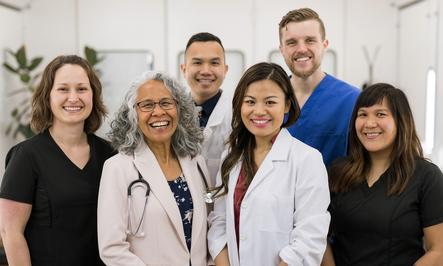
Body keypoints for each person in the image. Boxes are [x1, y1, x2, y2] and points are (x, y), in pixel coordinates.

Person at [207, 62, 330, 266]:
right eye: (250, 101)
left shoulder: (306, 159)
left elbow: (310, 237)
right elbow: (220, 223)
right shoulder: (231, 156)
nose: (259, 111)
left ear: (287, 105)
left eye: (270, 102)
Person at [0, 55, 115, 266]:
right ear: (48, 97)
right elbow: (11, 233)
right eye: (63, 89)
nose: (73, 98)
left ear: (93, 95)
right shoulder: (26, 156)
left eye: (82, 89)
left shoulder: (110, 154)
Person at [97, 71, 211, 265]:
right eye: (147, 105)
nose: (158, 112)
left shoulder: (196, 161)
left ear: (179, 109)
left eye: (166, 103)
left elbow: (209, 228)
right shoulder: (117, 168)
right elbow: (112, 248)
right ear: (133, 115)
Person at [323, 83, 443, 265]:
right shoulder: (339, 171)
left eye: (380, 114)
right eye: (362, 114)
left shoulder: (427, 176)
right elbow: (317, 235)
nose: (369, 123)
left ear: (400, 121)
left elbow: (438, 250)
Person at [279, 8, 360, 166]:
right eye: (291, 42)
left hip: (334, 190)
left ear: (324, 45)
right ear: (282, 50)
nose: (301, 49)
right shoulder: (270, 100)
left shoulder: (352, 100)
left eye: (310, 40)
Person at [180, 32, 231, 183]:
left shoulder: (238, 114)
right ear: (184, 69)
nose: (206, 71)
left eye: (214, 63)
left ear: (225, 69)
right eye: (197, 62)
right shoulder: (171, 115)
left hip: (224, 203)